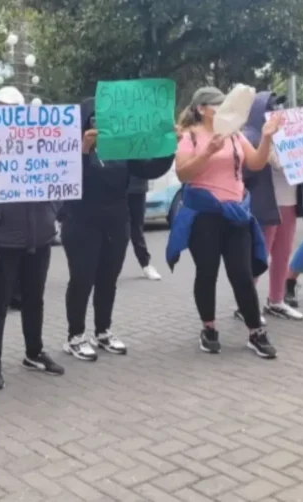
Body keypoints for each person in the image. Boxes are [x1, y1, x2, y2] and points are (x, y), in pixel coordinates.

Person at [167, 86, 281, 359]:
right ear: (202, 109)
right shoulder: (189, 136)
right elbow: (183, 174)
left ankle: (256, 332)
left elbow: (255, 163)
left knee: (241, 273)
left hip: (236, 213)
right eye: (217, 104)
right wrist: (207, 152)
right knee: (207, 272)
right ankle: (209, 328)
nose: (222, 108)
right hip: (204, 214)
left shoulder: (234, 134)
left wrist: (265, 138)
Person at [61, 97, 174, 363]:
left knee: (108, 279)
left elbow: (149, 168)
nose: (100, 126)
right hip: (81, 221)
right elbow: (64, 178)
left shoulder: (120, 149)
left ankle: (103, 330)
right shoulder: (70, 151)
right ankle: (75, 335)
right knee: (82, 279)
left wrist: (169, 147)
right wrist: (82, 150)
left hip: (115, 221)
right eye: (94, 120)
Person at [0, 86, 64, 389]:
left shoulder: (43, 141)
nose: (5, 115)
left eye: (10, 109)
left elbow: (61, 178)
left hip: (39, 235)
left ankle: (34, 352)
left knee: (34, 298)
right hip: (3, 237)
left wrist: (50, 210)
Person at [242, 92, 303, 320]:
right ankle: (245, 304)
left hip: (288, 201)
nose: (278, 111)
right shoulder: (253, 136)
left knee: (283, 253)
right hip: (266, 204)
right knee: (260, 254)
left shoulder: (292, 133)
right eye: (272, 107)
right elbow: (276, 162)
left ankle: (276, 300)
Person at [127, 176, 162, 280]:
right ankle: (106, 267)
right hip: (114, 186)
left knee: (137, 229)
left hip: (137, 188)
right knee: (114, 231)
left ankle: (146, 264)